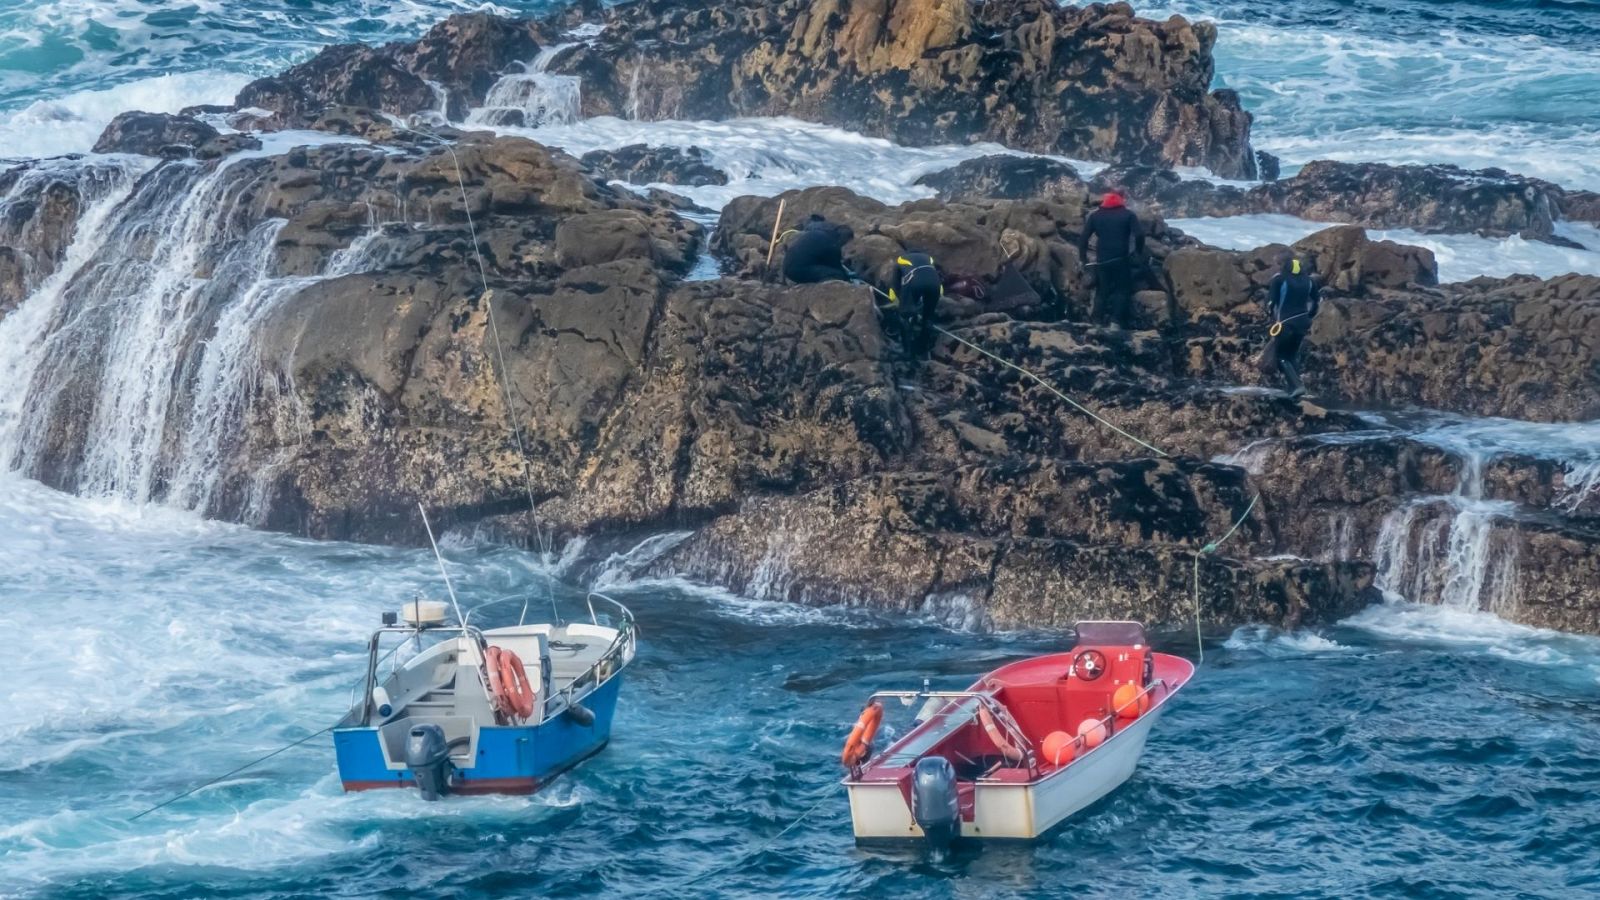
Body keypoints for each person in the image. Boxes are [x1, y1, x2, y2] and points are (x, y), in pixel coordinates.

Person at [1077, 192, 1145, 328]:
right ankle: (1115, 322)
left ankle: (1096, 321)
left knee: (1102, 290)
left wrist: (1083, 259)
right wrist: (1138, 251)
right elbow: (1139, 234)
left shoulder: (1095, 216)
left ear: (1104, 203)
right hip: (1121, 259)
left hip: (1102, 261)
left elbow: (1083, 239)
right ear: (1121, 202)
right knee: (1122, 289)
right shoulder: (1128, 215)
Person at [1261, 255, 1321, 398]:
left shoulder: (1279, 279)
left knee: (1281, 356)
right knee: (1292, 355)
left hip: (1286, 323)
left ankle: (1297, 386)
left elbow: (1270, 304)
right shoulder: (1310, 281)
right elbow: (1317, 302)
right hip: (1303, 322)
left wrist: (1271, 317)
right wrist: (1309, 315)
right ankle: (1297, 388)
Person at [884, 251, 943, 357]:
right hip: (935, 284)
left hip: (915, 282)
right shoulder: (928, 257)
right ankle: (923, 347)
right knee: (928, 317)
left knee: (904, 316)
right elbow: (935, 275)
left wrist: (903, 304)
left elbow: (894, 289)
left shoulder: (899, 260)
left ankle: (906, 351)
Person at [783, 214, 855, 284]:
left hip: (786, 267)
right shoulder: (833, 246)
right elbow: (836, 267)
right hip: (796, 272)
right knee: (837, 275)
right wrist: (848, 278)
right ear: (843, 239)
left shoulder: (820, 233)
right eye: (845, 242)